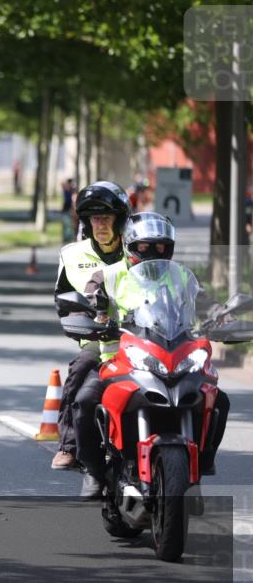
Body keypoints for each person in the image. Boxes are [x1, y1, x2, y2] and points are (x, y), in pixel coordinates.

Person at [74, 211, 230, 498]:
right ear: (129, 246)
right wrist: (91, 316)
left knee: (218, 398)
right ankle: (94, 471)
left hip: (173, 351)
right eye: (144, 247)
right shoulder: (108, 275)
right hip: (118, 356)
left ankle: (205, 460)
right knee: (85, 400)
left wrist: (221, 315)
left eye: (159, 247)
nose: (152, 253)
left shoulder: (182, 275)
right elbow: (87, 301)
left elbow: (205, 302)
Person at [52, 181, 131, 471]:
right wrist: (83, 319)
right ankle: (70, 445)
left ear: (119, 219)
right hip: (100, 336)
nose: (100, 224)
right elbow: (62, 298)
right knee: (81, 367)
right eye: (94, 218)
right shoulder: (72, 254)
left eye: (106, 217)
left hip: (144, 334)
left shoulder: (137, 249)